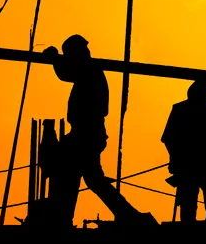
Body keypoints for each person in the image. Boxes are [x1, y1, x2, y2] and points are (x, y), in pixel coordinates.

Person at [42, 35, 155, 228]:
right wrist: (57, 60)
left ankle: (65, 219)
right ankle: (126, 214)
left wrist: (54, 59)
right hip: (87, 132)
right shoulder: (89, 70)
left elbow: (67, 73)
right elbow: (69, 72)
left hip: (86, 133)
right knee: (86, 178)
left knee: (78, 175)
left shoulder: (88, 70)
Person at [161, 80, 206, 227]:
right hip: (205, 167)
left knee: (195, 207)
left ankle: (200, 230)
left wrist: (176, 158)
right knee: (205, 207)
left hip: (200, 167)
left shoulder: (180, 110)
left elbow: (168, 139)